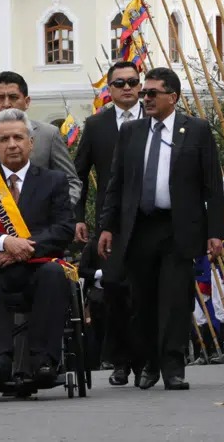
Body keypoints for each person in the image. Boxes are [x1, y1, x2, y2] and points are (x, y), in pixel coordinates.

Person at [98, 67, 224, 391]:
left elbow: (213, 186)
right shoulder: (132, 132)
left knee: (175, 299)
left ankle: (173, 366)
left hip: (178, 228)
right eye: (144, 93)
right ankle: (149, 362)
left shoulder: (196, 130)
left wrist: (215, 232)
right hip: (139, 228)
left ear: (173, 97)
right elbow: (117, 183)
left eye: (153, 93)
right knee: (142, 301)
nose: (147, 98)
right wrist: (108, 226)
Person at [0, 108, 76, 388]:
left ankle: (44, 361)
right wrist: (4, 242)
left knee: (53, 274)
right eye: (5, 139)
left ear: (30, 143)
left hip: (40, 266)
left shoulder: (54, 181)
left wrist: (23, 248)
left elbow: (63, 229)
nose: (12, 144)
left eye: (18, 138)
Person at [73, 61, 144, 386]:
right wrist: (77, 218)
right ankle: (120, 361)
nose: (127, 88)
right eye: (120, 83)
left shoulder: (155, 119)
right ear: (110, 89)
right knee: (114, 290)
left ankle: (147, 360)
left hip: (150, 219)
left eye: (132, 82)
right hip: (109, 224)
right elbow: (79, 174)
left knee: (144, 291)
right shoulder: (96, 125)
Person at [0, 71, 81, 210]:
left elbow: (71, 182)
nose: (6, 104)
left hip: (42, 228)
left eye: (13, 97)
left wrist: (57, 212)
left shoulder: (48, 134)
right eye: (0, 98)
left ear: (27, 101)